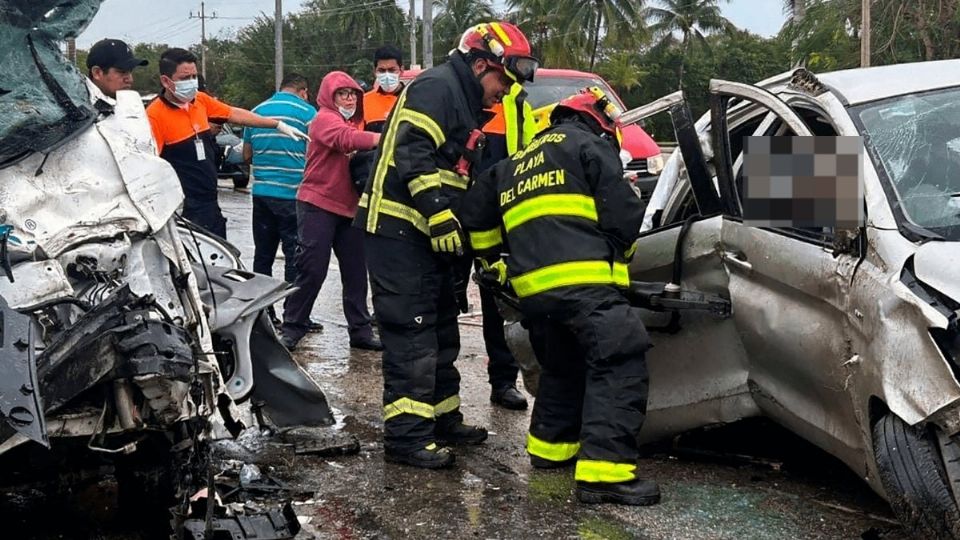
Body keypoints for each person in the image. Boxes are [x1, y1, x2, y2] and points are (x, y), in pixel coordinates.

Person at [457, 87, 660, 506]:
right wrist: (622, 254)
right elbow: (622, 214)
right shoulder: (587, 144)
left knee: (562, 366)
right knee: (618, 360)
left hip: (533, 294)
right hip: (584, 285)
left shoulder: (517, 160)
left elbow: (475, 210)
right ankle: (606, 476)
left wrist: (493, 265)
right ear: (598, 121)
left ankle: (550, 451)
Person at [354, 21, 539, 469]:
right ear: (480, 64)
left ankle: (441, 419)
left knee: (440, 329)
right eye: (503, 80)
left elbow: (456, 175)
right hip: (399, 231)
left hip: (424, 237)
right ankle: (406, 439)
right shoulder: (438, 87)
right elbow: (412, 152)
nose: (505, 92)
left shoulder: (464, 98)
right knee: (412, 333)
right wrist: (438, 214)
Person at [146, 48, 309, 238]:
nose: (191, 83)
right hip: (182, 208)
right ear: (166, 81)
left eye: (194, 76)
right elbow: (150, 168)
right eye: (185, 78)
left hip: (209, 203)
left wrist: (276, 124)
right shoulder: (154, 116)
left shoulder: (199, 101)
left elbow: (234, 114)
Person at [280, 72, 382, 352]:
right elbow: (344, 139)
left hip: (349, 208)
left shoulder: (352, 122)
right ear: (329, 96)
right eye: (342, 94)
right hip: (318, 204)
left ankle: (360, 331)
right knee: (312, 269)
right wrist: (384, 139)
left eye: (352, 94)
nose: (349, 98)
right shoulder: (324, 118)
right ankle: (292, 327)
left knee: (355, 273)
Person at [475, 81, 537, 411]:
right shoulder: (460, 97)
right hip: (455, 210)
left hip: (501, 217)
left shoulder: (519, 106)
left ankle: (503, 381)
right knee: (438, 300)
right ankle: (434, 390)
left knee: (498, 299)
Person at [242, 73, 316, 285]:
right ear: (303, 92)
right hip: (293, 195)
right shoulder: (308, 113)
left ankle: (262, 312)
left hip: (262, 194)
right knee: (293, 256)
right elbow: (314, 155)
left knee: (263, 256)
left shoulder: (256, 112)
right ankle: (292, 311)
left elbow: (247, 155)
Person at [85, 38, 148, 110]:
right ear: (97, 73)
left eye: (130, 71)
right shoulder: (76, 111)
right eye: (122, 72)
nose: (130, 79)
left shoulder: (132, 106)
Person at [362, 45, 405, 133]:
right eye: (382, 70)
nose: (387, 75)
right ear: (375, 71)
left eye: (392, 70)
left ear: (401, 70)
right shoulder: (364, 101)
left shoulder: (413, 99)